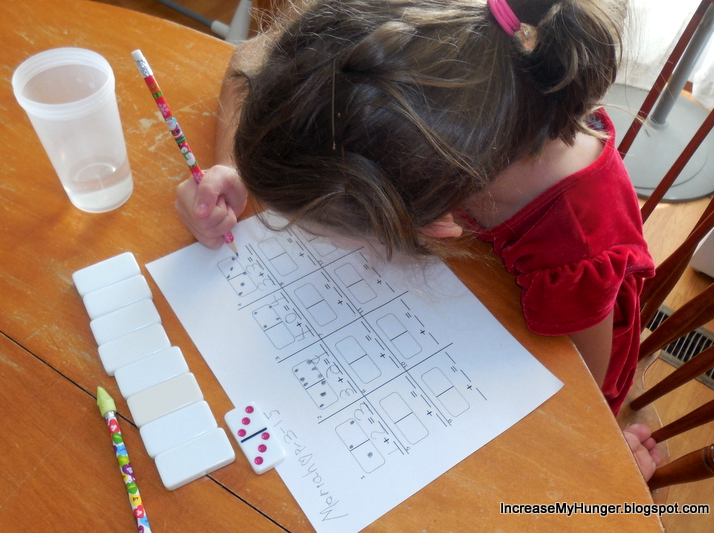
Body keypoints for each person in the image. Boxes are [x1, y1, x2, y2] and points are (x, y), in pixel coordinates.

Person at [175, 0, 660, 480]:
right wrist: (229, 167)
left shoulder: (576, 247)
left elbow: (585, 394)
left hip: (563, 347)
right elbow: (249, 55)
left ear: (433, 223)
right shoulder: (418, 49)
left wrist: (607, 455)